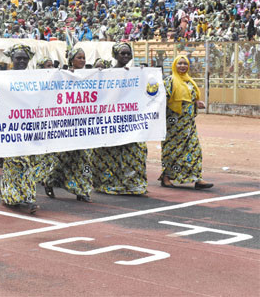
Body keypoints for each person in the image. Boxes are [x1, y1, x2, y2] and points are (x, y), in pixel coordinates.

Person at [92, 43, 148, 195]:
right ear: (115, 55)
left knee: (136, 151)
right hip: (111, 120)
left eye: (128, 54)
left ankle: (134, 184)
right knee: (110, 154)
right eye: (122, 54)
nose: (125, 56)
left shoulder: (135, 73)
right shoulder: (108, 73)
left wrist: (145, 74)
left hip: (130, 121)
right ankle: (108, 183)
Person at [42, 48, 94, 202]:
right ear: (72, 60)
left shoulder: (91, 75)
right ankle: (49, 181)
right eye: (79, 57)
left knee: (86, 159)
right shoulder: (63, 76)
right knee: (63, 158)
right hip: (67, 125)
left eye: (84, 57)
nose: (83, 60)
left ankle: (83, 190)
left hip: (85, 126)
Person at [0, 44, 45, 213]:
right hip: (10, 129)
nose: (21, 61)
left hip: (30, 128)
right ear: (12, 59)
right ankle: (20, 197)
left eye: (24, 58)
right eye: (18, 58)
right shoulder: (3, 78)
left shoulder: (35, 78)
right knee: (16, 164)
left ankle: (20, 196)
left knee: (26, 164)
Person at [159, 55, 213, 190]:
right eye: (179, 63)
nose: (182, 66)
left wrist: (197, 103)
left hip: (188, 124)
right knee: (173, 150)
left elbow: (191, 98)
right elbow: (162, 100)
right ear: (174, 66)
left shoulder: (189, 81)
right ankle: (166, 177)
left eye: (185, 63)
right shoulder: (170, 81)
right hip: (173, 125)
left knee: (194, 149)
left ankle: (196, 178)